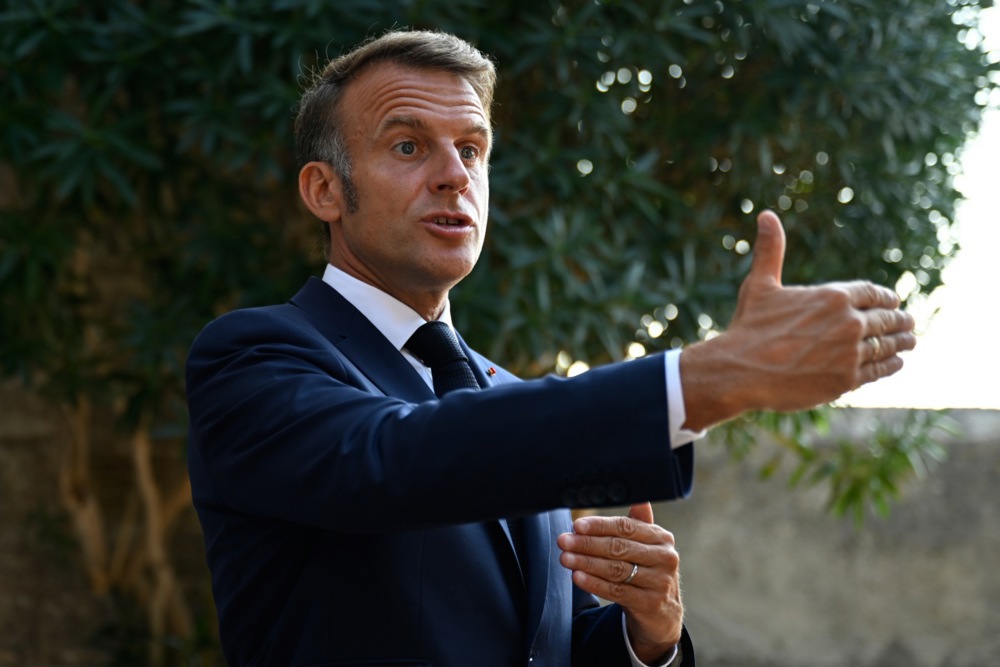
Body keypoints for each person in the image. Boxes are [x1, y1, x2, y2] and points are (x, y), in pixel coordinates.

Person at [185, 29, 915, 667]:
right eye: (408, 146)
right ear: (324, 190)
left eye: (472, 149)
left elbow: (542, 645)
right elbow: (393, 460)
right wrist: (711, 375)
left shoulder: (505, 396)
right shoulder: (254, 356)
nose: (454, 175)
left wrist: (647, 634)